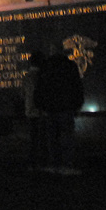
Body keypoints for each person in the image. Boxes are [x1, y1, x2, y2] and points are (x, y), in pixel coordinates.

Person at [33, 43, 84, 174]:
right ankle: (67, 164)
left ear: (51, 51)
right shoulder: (70, 66)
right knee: (66, 137)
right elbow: (77, 86)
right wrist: (77, 104)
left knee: (52, 138)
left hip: (50, 108)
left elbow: (39, 88)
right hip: (66, 107)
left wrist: (39, 105)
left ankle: (54, 163)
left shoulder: (45, 67)